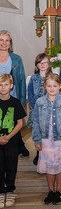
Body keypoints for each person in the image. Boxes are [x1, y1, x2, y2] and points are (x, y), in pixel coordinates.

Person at [32, 73, 61, 205]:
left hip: (60, 140)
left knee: (60, 166)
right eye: (49, 85)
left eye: (54, 85)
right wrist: (37, 140)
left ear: (60, 86)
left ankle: (59, 191)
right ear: (45, 86)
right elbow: (36, 122)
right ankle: (50, 190)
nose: (51, 88)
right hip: (46, 140)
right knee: (49, 167)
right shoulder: (39, 102)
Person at [0, 30, 28, 158]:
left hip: (14, 95)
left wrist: (22, 100)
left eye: (7, 40)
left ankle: (17, 146)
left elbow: (21, 80)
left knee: (15, 123)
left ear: (10, 43)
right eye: (1, 40)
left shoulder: (16, 58)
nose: (4, 43)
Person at [0, 74, 26, 208]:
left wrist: (8, 137)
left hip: (11, 141)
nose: (3, 87)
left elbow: (20, 123)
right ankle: (0, 192)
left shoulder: (15, 102)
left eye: (5, 84)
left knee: (11, 166)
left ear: (11, 86)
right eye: (0, 85)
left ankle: (9, 190)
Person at [27, 53, 52, 165]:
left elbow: (55, 92)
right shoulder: (33, 78)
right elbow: (30, 93)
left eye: (45, 62)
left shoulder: (52, 77)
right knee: (38, 133)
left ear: (49, 64)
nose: (42, 65)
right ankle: (38, 154)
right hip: (36, 109)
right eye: (40, 63)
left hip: (49, 109)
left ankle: (47, 154)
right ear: (37, 65)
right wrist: (34, 106)